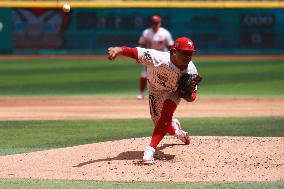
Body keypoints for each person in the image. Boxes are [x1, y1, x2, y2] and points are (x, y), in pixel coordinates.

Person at [108, 36, 200, 164]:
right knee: (161, 124)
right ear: (174, 51)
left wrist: (188, 95)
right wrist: (119, 49)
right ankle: (176, 130)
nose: (187, 56)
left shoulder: (191, 70)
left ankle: (150, 150)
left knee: (166, 115)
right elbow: (136, 52)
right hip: (155, 89)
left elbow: (192, 97)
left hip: (174, 92)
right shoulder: (158, 58)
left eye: (190, 53)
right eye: (184, 52)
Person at [136, 15, 174, 100]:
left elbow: (171, 46)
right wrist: (139, 55)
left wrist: (172, 57)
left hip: (162, 57)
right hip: (150, 57)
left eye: (156, 23)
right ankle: (141, 93)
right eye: (153, 23)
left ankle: (167, 93)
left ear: (160, 23)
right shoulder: (146, 32)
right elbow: (141, 44)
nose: (155, 24)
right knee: (144, 75)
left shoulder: (165, 33)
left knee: (165, 75)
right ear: (151, 23)